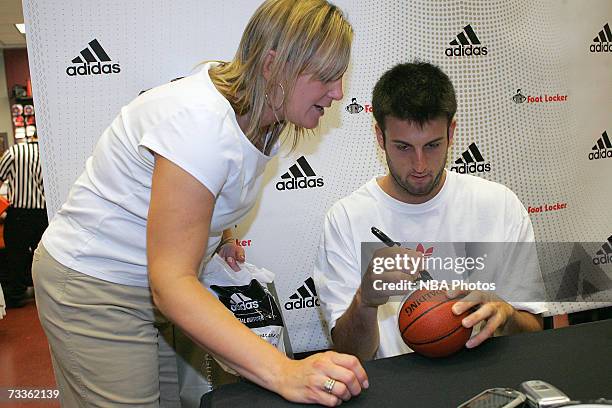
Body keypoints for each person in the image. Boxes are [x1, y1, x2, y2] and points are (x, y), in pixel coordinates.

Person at [32, 1, 368, 406]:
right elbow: (172, 284)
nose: (338, 93)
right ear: (274, 65)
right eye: (327, 78)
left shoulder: (264, 117)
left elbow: (203, 185)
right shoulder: (200, 123)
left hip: (147, 282)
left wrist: (217, 232)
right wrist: (285, 371)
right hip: (94, 284)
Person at [313, 61, 547, 361]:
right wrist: (365, 301)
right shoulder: (346, 219)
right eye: (404, 147)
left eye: (433, 145)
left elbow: (534, 331)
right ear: (379, 137)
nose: (420, 166)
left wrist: (505, 314)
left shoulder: (499, 205)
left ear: (451, 133)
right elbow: (348, 355)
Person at [0, 133, 47, 308]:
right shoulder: (47, 154)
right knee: (43, 254)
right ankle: (46, 291)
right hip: (43, 213)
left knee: (15, 254)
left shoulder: (15, 151)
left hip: (19, 213)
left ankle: (16, 294)